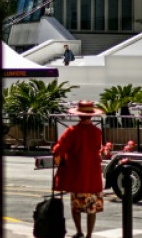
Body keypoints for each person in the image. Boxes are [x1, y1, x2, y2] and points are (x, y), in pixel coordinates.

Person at [53, 100, 105, 238]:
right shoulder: (97, 132)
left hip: (77, 175)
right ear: (91, 115)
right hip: (93, 175)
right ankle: (89, 234)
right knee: (91, 207)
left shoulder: (71, 132)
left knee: (76, 206)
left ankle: (79, 231)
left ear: (79, 115)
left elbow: (59, 148)